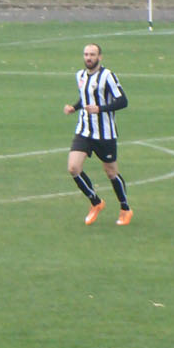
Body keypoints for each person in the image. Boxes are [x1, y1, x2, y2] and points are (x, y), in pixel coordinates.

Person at [63, 43, 132, 226]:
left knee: (111, 172)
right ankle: (96, 202)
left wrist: (100, 109)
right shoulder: (80, 75)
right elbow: (86, 97)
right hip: (84, 131)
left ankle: (125, 208)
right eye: (86, 54)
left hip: (105, 134)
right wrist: (74, 107)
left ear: (100, 57)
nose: (88, 58)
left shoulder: (107, 76)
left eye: (92, 54)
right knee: (73, 168)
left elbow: (123, 101)